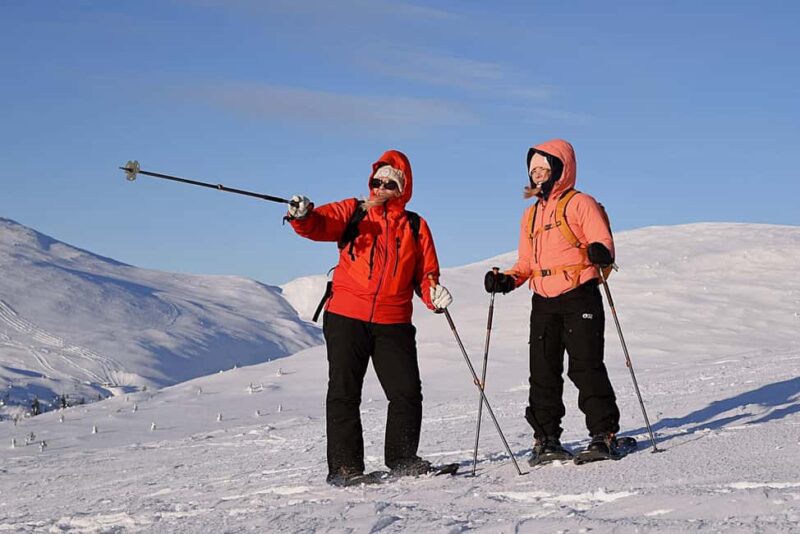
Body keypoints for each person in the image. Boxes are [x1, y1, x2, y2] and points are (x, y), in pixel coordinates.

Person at [286, 149, 453, 486]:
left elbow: (425, 274)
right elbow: (319, 224)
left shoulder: (416, 225)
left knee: (406, 392)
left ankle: (403, 459)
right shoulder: (353, 211)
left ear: (402, 188)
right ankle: (345, 468)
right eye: (376, 181)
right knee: (345, 392)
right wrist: (301, 215)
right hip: (347, 315)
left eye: (388, 182)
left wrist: (434, 294)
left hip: (394, 321)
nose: (379, 187)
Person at [484, 139, 625, 465]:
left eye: (544, 168)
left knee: (585, 366)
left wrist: (600, 253)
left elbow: (602, 242)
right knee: (543, 371)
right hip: (543, 299)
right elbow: (525, 265)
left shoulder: (580, 203)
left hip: (579, 293)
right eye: (533, 170)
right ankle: (546, 439)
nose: (538, 175)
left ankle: (603, 434)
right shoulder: (530, 215)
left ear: (561, 170)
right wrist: (506, 280)